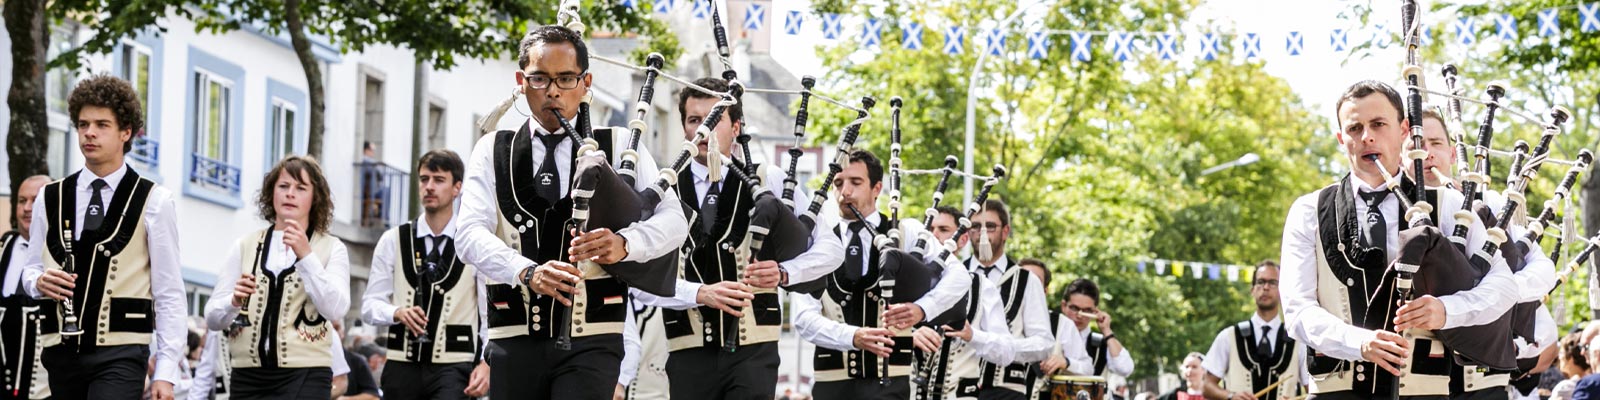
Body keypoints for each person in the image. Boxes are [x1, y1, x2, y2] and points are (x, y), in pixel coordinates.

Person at [454, 25, 686, 400]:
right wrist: (525, 271)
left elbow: (674, 221)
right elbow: (468, 234)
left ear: (585, 82)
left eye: (566, 79)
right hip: (513, 337)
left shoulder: (619, 145)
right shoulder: (491, 150)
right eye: (539, 79)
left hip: (593, 339)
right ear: (521, 81)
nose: (553, 92)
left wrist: (626, 243)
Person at [1280, 80, 1521, 399]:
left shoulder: (1447, 205)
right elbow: (1298, 309)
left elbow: (1503, 285)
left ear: (1404, 131)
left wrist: (1446, 310)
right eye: (1354, 128)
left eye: (1378, 124)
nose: (1366, 137)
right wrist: (1358, 343)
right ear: (1341, 139)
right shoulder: (1309, 211)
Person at [631, 76, 844, 400]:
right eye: (694, 120)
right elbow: (638, 281)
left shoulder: (766, 180)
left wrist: (786, 272)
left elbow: (831, 249)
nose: (703, 130)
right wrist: (697, 293)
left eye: (714, 120)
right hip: (686, 351)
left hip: (753, 352)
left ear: (735, 126)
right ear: (684, 128)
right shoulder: (662, 190)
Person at [21, 75, 187, 400]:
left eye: (101, 124)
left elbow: (169, 293)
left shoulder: (155, 201)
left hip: (122, 354)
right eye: (83, 124)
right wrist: (38, 282)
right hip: (60, 352)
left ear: (126, 132)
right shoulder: (48, 197)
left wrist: (166, 372)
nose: (89, 133)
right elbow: (29, 269)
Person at [1406, 107, 1561, 400]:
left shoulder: (1488, 205)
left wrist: (1494, 291)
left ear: (1452, 154)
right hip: (1409, 381)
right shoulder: (1390, 208)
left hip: (1482, 383)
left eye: (1436, 143)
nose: (1427, 153)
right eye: (1416, 145)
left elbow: (1542, 270)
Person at [791, 148, 970, 400]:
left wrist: (922, 309)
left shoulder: (906, 233)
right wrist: (853, 337)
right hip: (832, 386)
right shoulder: (818, 242)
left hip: (890, 384)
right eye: (839, 183)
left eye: (856, 182)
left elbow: (959, 276)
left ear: (877, 188)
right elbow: (803, 318)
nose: (845, 192)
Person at [203, 156, 351, 400]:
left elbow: (336, 308)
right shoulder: (245, 245)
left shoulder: (332, 248)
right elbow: (212, 318)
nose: (290, 194)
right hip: (248, 375)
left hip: (306, 373)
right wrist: (234, 300)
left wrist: (307, 257)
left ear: (315, 198)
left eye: (301, 188)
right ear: (271, 193)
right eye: (283, 186)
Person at [360, 150, 491, 400]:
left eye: (439, 180)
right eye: (424, 179)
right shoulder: (393, 240)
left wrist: (486, 362)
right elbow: (369, 305)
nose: (429, 187)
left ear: (457, 188)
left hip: (454, 367)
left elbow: (488, 316)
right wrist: (396, 312)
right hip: (401, 365)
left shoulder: (473, 243)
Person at [961, 199, 1067, 400]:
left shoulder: (1027, 281)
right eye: (975, 226)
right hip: (956, 388)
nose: (982, 233)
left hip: (1006, 391)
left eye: (990, 226)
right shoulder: (956, 273)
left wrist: (1003, 347)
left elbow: (1044, 343)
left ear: (1006, 231)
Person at [1201, 261, 1301, 400]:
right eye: (1260, 282)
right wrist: (1231, 396)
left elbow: (1313, 390)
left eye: (1272, 283)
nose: (1265, 287)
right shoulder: (1228, 337)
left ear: (1282, 290)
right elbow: (1206, 385)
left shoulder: (1297, 340)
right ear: (1252, 289)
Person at [1, 175, 52, 400]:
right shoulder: (3, 248)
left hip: (44, 389)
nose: (27, 208)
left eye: (36, 200)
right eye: (22, 201)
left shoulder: (65, 255)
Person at [1060, 278, 1135, 380]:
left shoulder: (1100, 343)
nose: (1079, 315)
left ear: (1095, 311)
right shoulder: (1049, 334)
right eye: (1074, 308)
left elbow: (1125, 369)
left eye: (1087, 310)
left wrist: (1107, 331)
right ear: (1064, 306)